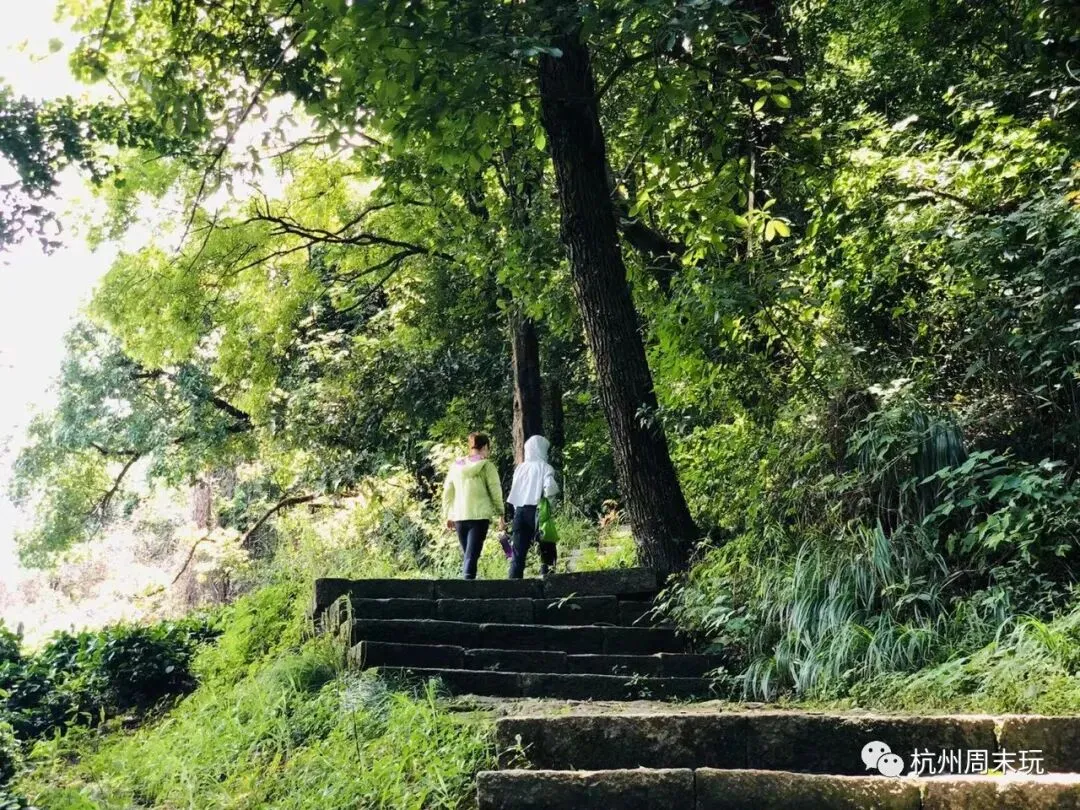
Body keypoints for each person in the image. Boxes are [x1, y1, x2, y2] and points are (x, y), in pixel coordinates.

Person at [441, 432, 504, 579]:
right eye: (488, 449)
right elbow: (495, 490)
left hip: (459, 516)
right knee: (471, 557)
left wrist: (448, 514)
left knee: (468, 556)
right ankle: (467, 588)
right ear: (484, 447)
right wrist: (501, 512)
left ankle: (468, 584)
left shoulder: (457, 465)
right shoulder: (487, 466)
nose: (488, 453)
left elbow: (448, 491)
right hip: (479, 517)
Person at [506, 435, 560, 579]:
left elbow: (515, 492)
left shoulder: (520, 468)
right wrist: (550, 504)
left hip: (520, 512)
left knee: (518, 553)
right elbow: (550, 488)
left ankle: (513, 585)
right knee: (547, 549)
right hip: (538, 511)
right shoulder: (545, 467)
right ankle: (547, 581)